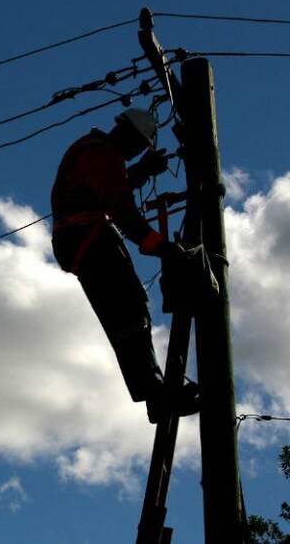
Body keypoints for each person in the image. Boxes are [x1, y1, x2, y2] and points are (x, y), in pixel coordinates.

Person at [50, 108, 200, 424]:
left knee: (127, 314)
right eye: (139, 148)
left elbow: (106, 190)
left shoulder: (95, 152)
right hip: (90, 238)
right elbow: (122, 212)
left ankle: (156, 396)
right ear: (130, 137)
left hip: (82, 240)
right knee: (130, 312)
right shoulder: (101, 154)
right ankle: (156, 392)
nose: (136, 153)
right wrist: (164, 249)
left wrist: (142, 171)